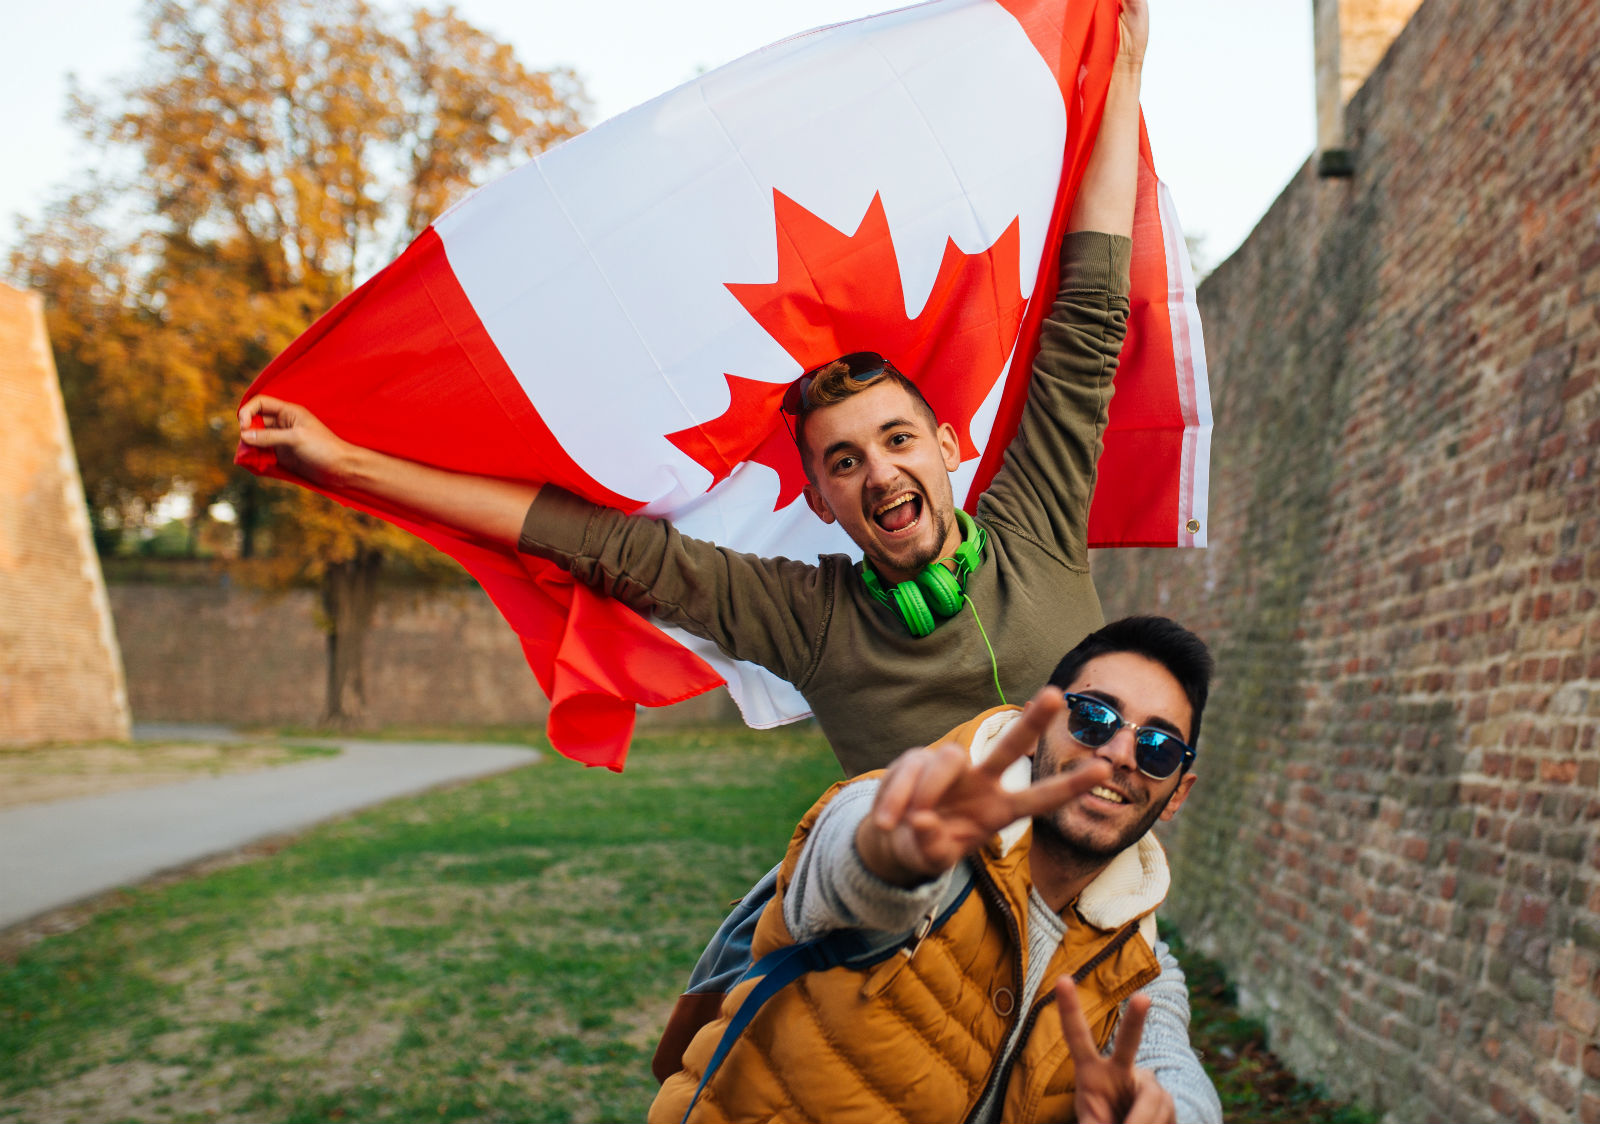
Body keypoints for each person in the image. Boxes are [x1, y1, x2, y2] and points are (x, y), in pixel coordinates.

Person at [237, 0, 1156, 778]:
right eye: (844, 461)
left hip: (1105, 939)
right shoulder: (808, 622)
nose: (878, 472)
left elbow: (1090, 316)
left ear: (949, 446)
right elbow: (583, 539)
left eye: (897, 439)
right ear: (824, 503)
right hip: (924, 975)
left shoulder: (1035, 524)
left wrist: (1121, 76)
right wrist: (348, 460)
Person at [651, 616, 1221, 1124]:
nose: (1121, 754)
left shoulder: (1137, 961)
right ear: (1036, 725)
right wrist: (892, 858)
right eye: (1095, 718)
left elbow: (1172, 1065)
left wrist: (1161, 1113)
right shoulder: (922, 814)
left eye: (1159, 747)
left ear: (1176, 794)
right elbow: (844, 856)